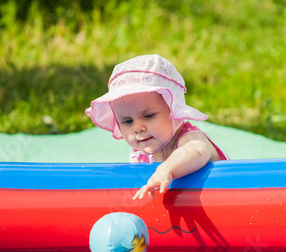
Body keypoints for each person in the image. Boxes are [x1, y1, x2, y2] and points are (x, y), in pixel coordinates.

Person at [85, 54, 229, 200]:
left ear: (174, 111)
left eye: (148, 116)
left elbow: (197, 152)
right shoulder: (139, 155)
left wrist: (167, 169)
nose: (138, 127)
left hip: (227, 198)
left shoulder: (191, 139)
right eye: (127, 121)